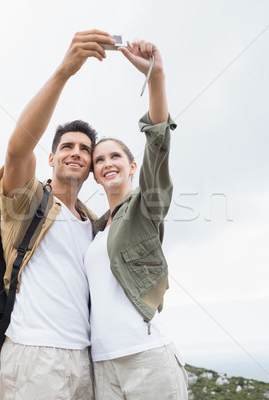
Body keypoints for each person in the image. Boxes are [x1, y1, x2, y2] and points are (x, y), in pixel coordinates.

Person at [0, 30, 117, 399]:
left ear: (92, 167)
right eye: (66, 146)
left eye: (84, 149)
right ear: (51, 158)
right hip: (35, 356)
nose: (75, 152)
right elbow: (17, 150)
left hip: (85, 359)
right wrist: (64, 72)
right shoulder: (29, 202)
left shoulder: (94, 224)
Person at [85, 40, 189, 399]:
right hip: (102, 363)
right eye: (99, 160)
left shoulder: (146, 208)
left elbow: (158, 149)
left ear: (131, 167)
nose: (107, 163)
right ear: (95, 175)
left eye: (115, 156)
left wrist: (154, 77)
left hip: (146, 357)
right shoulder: (95, 230)